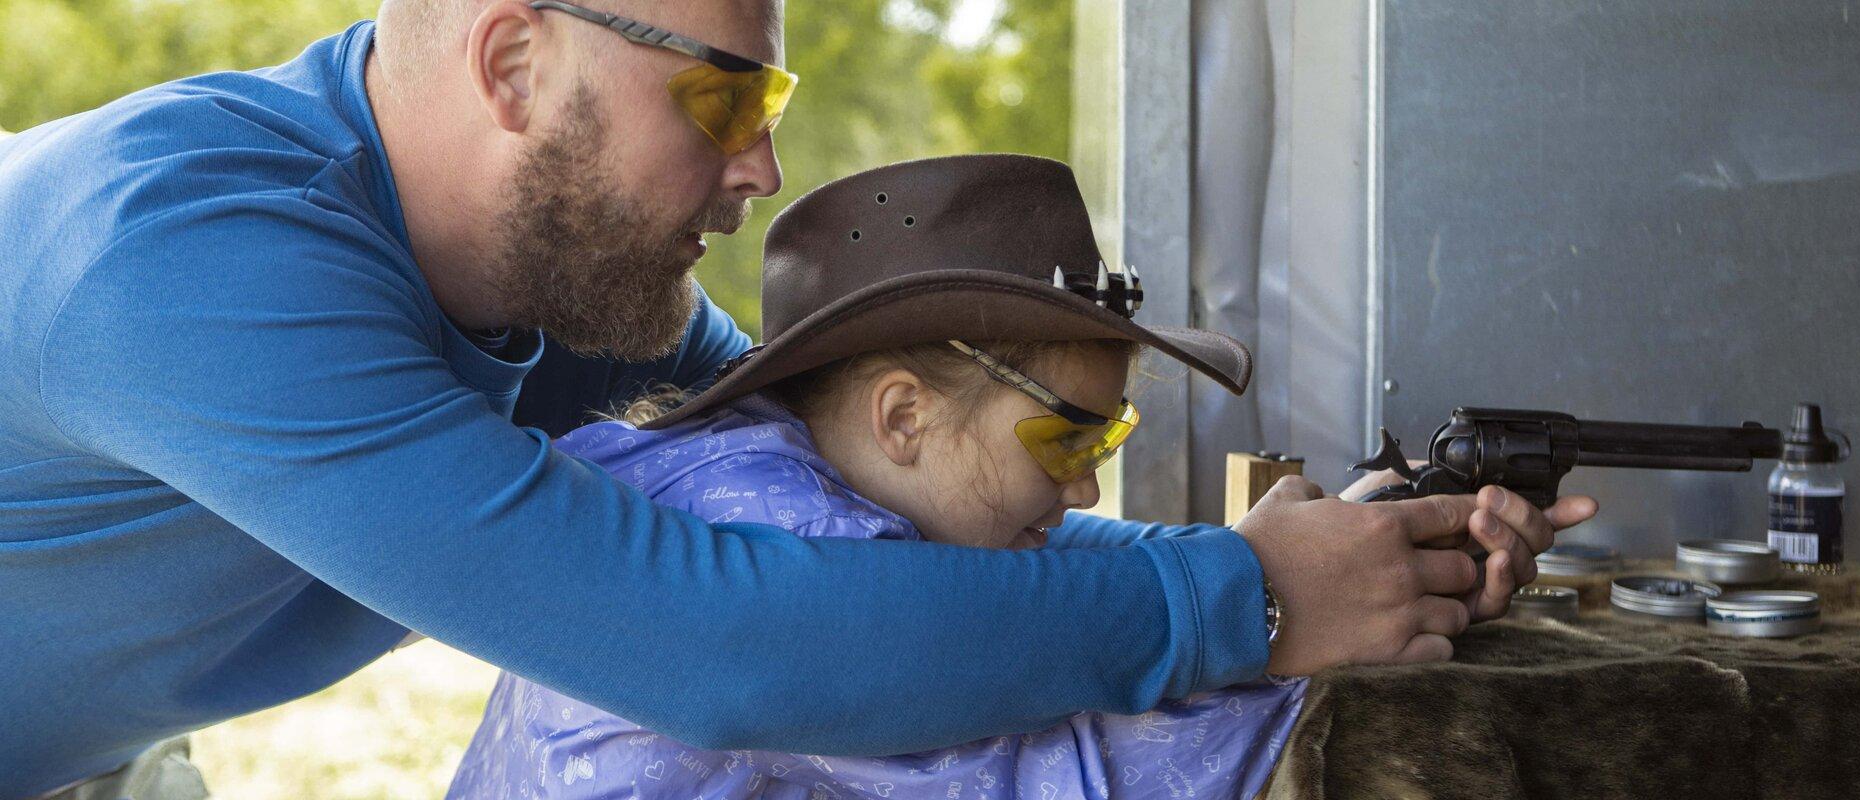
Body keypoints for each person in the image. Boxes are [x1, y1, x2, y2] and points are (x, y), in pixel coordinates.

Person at [0, 2, 1595, 798]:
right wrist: (1236, 602)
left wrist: (1348, 559)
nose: (759, 171)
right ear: (510, 68)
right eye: (723, 95)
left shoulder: (582, 299)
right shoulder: (179, 258)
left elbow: (877, 537)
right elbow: (713, 640)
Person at [445, 155, 1361, 800]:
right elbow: (1049, 778)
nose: (1085, 488)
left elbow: (1045, 579)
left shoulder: (755, 469)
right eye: (1065, 442)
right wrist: (1302, 621)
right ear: (904, 417)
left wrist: (1289, 560)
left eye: (1107, 440)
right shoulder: (797, 536)